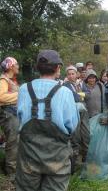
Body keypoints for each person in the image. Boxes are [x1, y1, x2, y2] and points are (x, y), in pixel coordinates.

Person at [16, 50, 78, 191]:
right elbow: (72, 125)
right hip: (57, 158)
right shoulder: (65, 92)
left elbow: (20, 119)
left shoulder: (24, 89)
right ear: (57, 68)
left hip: (28, 156)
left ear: (37, 68)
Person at [63, 65, 90, 167]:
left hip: (84, 112)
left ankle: (86, 157)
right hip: (73, 112)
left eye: (72, 74)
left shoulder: (81, 83)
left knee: (86, 132)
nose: (71, 76)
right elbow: (73, 96)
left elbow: (89, 94)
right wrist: (81, 96)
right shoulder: (65, 85)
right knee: (75, 134)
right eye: (69, 74)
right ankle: (74, 161)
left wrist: (81, 95)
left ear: (76, 74)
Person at [0, 57, 20, 178]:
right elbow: (1, 97)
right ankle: (11, 173)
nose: (18, 66)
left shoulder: (11, 80)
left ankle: (13, 167)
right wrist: (20, 94)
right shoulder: (3, 80)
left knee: (16, 141)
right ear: (11, 66)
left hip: (13, 114)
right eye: (16, 64)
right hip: (8, 114)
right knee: (12, 142)